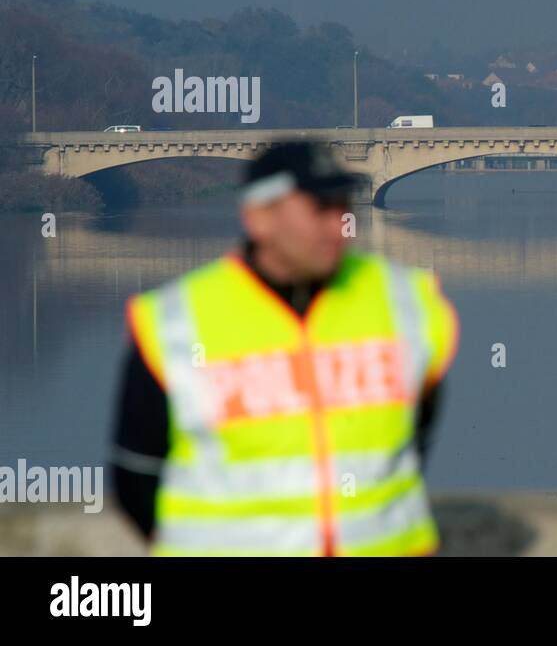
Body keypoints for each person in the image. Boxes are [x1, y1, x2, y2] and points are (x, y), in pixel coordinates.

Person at [110, 141, 459, 556]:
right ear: (259, 218)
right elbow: (136, 476)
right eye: (319, 209)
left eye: (342, 205)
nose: (339, 224)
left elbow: (413, 439)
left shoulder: (405, 301)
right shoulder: (175, 322)